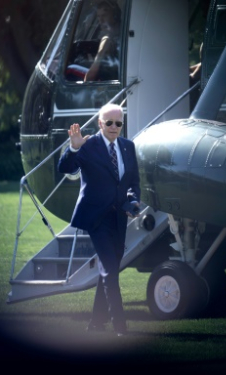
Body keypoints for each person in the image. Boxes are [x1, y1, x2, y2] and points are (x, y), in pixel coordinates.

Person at [58, 103, 141, 336]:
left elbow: (133, 182)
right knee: (109, 270)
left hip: (119, 217)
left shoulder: (127, 146)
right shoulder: (88, 145)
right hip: (96, 218)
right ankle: (120, 325)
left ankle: (96, 322)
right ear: (100, 123)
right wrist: (73, 149)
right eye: (109, 122)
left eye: (119, 123)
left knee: (110, 267)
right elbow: (64, 167)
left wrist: (133, 202)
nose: (114, 127)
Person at [84, 0, 122, 82]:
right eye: (98, 16)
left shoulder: (107, 40)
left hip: (110, 81)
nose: (100, 21)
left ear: (115, 16)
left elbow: (90, 76)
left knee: (71, 69)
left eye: (104, 16)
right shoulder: (123, 35)